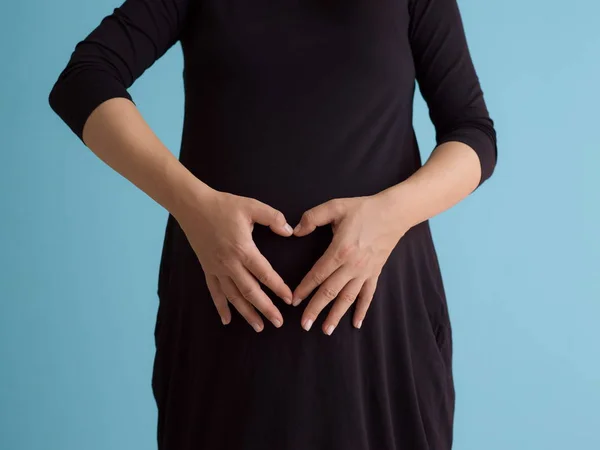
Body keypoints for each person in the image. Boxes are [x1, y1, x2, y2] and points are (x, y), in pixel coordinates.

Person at [48, 0, 497, 448]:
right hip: (226, 320)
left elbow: (472, 132)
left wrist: (389, 215)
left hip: (379, 319)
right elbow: (85, 78)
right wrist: (194, 206)